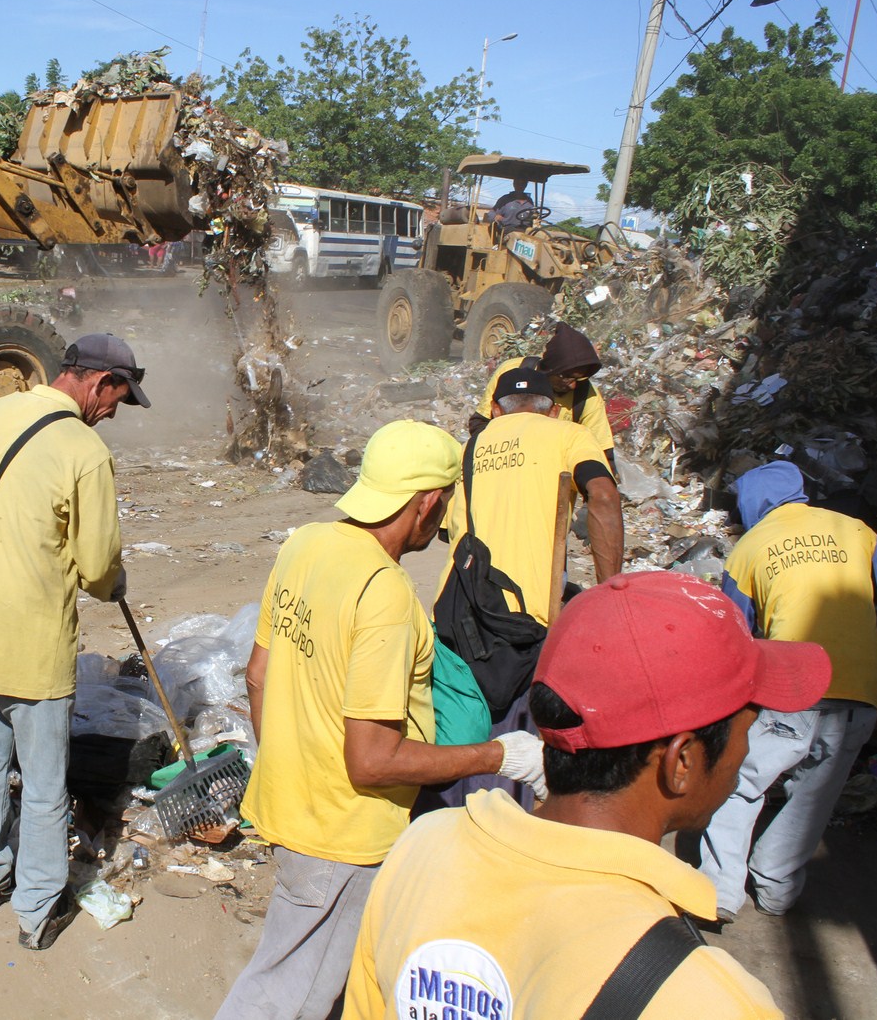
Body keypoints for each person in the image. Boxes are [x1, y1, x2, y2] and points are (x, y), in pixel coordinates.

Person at [346, 571, 831, 1019]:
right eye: (747, 725)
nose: (747, 750)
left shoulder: (421, 848)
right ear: (681, 763)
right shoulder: (711, 1000)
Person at [215, 421, 547, 1020]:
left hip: (286, 805)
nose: (443, 521)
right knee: (284, 993)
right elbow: (371, 761)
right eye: (443, 505)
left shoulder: (305, 544)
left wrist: (292, 769)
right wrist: (502, 756)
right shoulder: (385, 592)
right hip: (342, 836)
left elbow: (259, 675)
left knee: (311, 968)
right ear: (424, 504)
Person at [0, 333, 146, 951]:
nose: (115, 411)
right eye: (118, 397)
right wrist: (116, 579)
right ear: (95, 382)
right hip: (34, 646)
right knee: (43, 786)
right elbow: (96, 565)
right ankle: (36, 910)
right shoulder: (83, 449)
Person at [693, 461, 877, 922]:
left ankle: (719, 891)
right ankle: (776, 888)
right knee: (813, 796)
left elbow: (738, 636)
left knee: (742, 784)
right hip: (859, 692)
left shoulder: (749, 548)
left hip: (792, 684)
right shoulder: (856, 531)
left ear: (751, 503)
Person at [429, 366, 622, 810]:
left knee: (469, 727)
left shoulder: (470, 448)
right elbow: (605, 496)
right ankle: (514, 832)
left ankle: (459, 823)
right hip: (530, 616)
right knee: (526, 741)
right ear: (553, 410)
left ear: (495, 409)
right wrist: (612, 589)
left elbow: (447, 529)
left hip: (461, 610)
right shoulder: (568, 436)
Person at [471, 322, 617, 468]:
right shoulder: (511, 373)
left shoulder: (586, 396)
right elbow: (479, 423)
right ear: (548, 370)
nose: (573, 385)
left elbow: (602, 451)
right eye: (566, 377)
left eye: (579, 378)